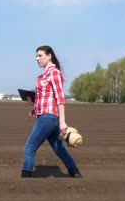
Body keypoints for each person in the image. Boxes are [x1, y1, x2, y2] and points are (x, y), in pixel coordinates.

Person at [21, 45, 82, 178]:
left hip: (48, 118)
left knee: (30, 147)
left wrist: (62, 122)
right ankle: (75, 172)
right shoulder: (41, 77)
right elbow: (46, 98)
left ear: (49, 56)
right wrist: (33, 102)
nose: (37, 58)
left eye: (40, 55)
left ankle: (25, 177)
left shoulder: (54, 73)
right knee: (59, 149)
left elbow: (60, 98)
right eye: (36, 56)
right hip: (47, 117)